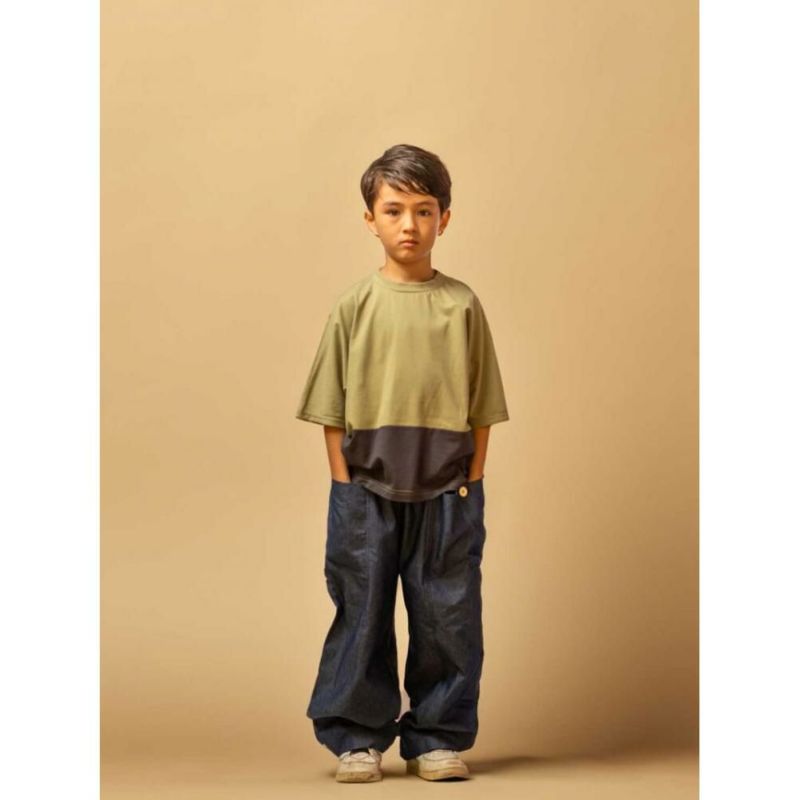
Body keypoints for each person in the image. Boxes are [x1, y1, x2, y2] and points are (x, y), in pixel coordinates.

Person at [295, 143, 510, 783]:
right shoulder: (353, 306)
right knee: (361, 613)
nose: (409, 225)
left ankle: (436, 736)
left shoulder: (461, 306)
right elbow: (331, 409)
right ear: (371, 219)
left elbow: (482, 406)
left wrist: (471, 480)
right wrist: (343, 485)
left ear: (445, 217)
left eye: (423, 210)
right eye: (393, 210)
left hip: (448, 491)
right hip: (364, 489)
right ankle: (356, 737)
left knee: (448, 615)